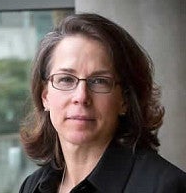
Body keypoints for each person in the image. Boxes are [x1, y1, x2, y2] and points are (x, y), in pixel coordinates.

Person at [19, 13, 186, 193]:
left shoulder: (166, 186)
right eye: (66, 79)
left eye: (99, 81)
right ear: (45, 96)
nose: (81, 97)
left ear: (124, 100)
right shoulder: (32, 187)